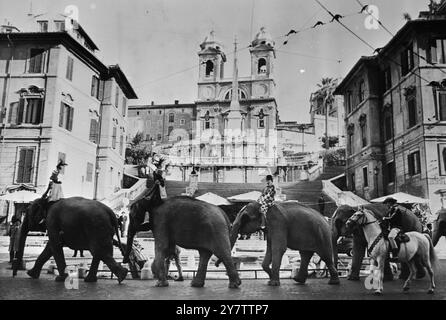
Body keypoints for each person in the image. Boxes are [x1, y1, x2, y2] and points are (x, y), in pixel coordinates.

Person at [141, 153, 169, 226]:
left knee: (148, 205)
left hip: (159, 192)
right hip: (161, 192)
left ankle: (147, 220)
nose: (154, 163)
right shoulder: (159, 171)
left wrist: (147, 195)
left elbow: (156, 185)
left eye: (156, 162)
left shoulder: (158, 172)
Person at [39, 160, 68, 226]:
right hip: (60, 198)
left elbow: (49, 191)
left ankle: (44, 217)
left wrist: (45, 194)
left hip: (53, 199)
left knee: (44, 206)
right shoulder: (59, 183)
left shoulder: (52, 183)